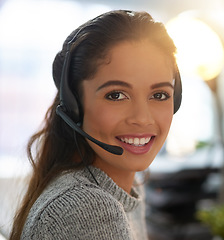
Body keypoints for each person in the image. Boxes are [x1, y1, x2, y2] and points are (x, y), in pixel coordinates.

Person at [10, 9, 182, 240]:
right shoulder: (88, 209)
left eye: (160, 95)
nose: (142, 118)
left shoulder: (128, 188)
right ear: (74, 106)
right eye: (116, 95)